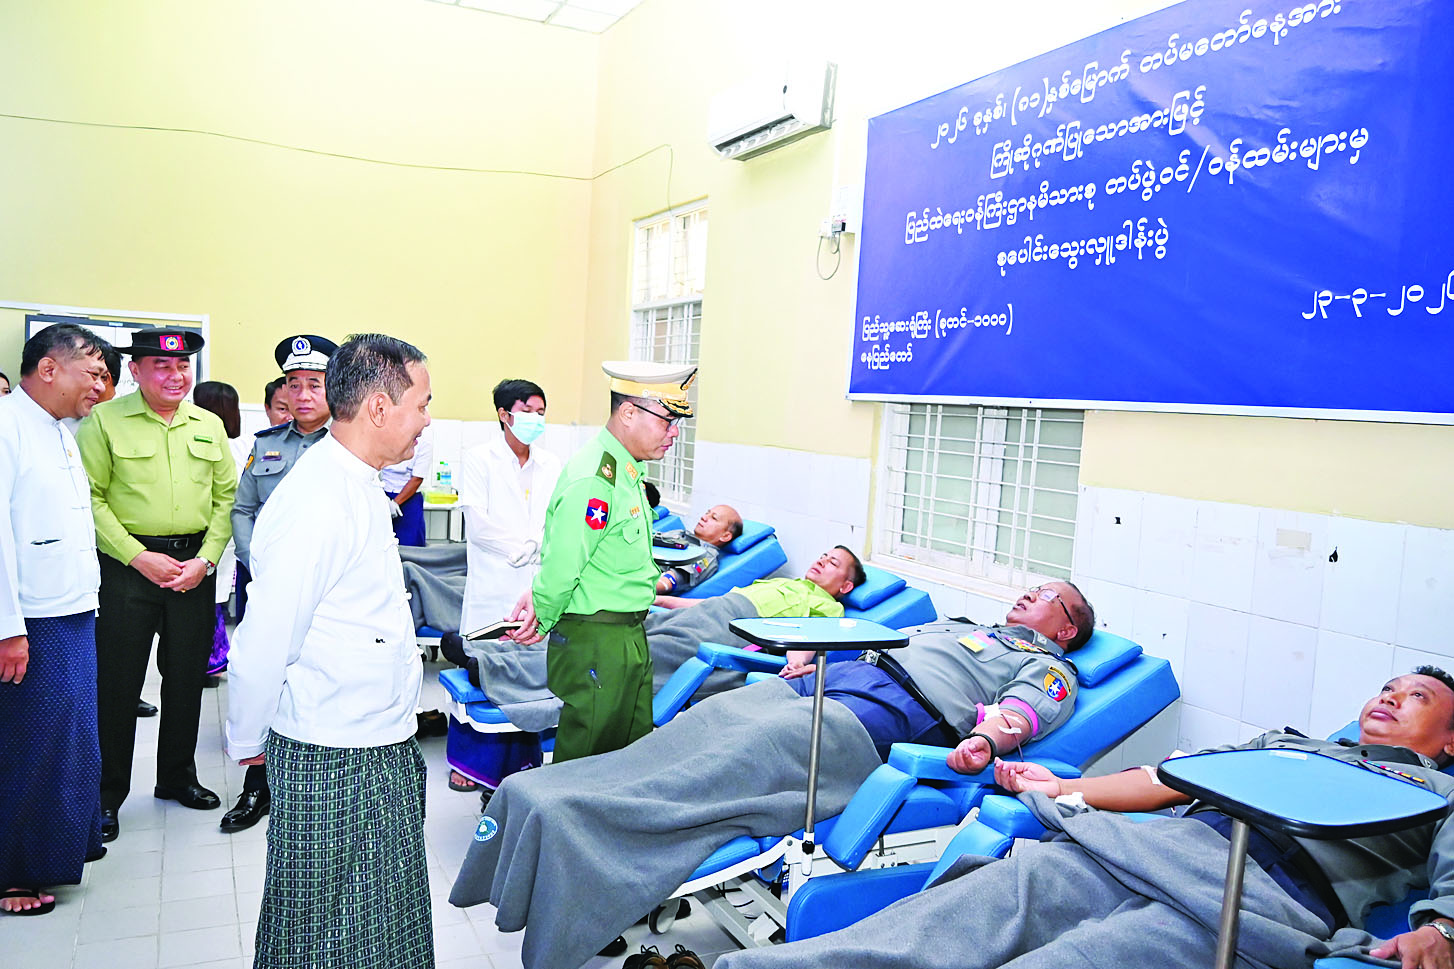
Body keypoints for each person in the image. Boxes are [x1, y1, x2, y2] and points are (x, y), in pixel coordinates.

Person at [450, 582, 1093, 969]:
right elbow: (872, 637)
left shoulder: (1047, 665)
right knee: (699, 726)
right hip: (821, 682)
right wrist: (814, 651)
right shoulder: (961, 624)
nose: (1029, 594)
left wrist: (984, 741)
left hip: (873, 718)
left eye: (1048, 596)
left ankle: (583, 825)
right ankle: (550, 796)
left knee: (732, 760)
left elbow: (1023, 712)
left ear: (1065, 628)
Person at [713, 667, 1454, 969]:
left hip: (1251, 903)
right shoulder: (1286, 744)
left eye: (1416, 697)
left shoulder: (1437, 792)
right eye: (1385, 688)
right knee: (942, 922)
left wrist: (1440, 930)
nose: (1389, 698)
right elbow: (1163, 781)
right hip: (1142, 849)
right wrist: (1069, 789)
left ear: (1449, 742)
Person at [225, 333, 433, 969]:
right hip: (334, 752)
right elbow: (265, 638)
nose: (427, 420)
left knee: (382, 920)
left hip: (374, 738)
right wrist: (248, 739)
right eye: (422, 405)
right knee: (321, 928)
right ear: (378, 408)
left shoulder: (357, 482)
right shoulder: (316, 499)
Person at [76, 327, 236, 841]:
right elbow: (89, 498)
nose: (175, 375)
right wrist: (137, 556)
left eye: (183, 365)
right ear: (136, 371)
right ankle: (107, 794)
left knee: (187, 678)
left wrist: (206, 560)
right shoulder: (104, 421)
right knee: (118, 684)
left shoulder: (208, 425)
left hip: (193, 569)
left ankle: (176, 777)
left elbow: (227, 499)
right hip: (127, 569)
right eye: (162, 366)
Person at [507, 360, 697, 763]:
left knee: (625, 762)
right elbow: (564, 565)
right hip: (597, 641)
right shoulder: (596, 478)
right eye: (667, 420)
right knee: (585, 764)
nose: (675, 432)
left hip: (627, 635)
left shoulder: (628, 474)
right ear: (628, 413)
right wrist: (542, 613)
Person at [0, 324, 110, 916]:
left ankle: (61, 850)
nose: (100, 386)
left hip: (71, 609)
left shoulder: (60, 432)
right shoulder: (6, 428)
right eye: (91, 374)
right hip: (31, 620)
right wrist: (7, 627)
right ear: (48, 369)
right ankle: (15, 872)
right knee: (31, 746)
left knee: (70, 739)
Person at [220, 334, 337, 834]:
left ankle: (315, 784)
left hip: (329, 597)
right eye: (294, 383)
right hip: (270, 588)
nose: (302, 394)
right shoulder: (266, 446)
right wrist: (260, 565)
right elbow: (242, 510)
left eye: (315, 383)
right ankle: (257, 787)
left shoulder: (350, 446)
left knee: (320, 686)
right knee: (265, 680)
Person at [457, 378, 562, 635]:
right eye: (527, 411)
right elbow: (479, 528)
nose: (535, 419)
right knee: (488, 652)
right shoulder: (478, 459)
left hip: (538, 585)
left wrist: (537, 545)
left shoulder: (551, 464)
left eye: (540, 413)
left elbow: (557, 519)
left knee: (533, 652)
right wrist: (522, 548)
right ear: (504, 415)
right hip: (493, 586)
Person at [191, 380, 248, 683]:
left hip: (210, 535)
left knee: (205, 602)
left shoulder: (212, 445)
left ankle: (210, 660)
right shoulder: (241, 445)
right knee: (214, 600)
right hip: (227, 536)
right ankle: (213, 659)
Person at [653, 504, 742, 594]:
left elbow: (668, 581)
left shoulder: (705, 556)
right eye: (707, 513)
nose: (704, 517)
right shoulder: (681, 534)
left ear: (725, 536)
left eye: (714, 518)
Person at [381, 424, 431, 546]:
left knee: (410, 547)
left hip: (409, 500)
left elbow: (417, 478)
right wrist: (385, 500)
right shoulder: (384, 433)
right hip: (383, 495)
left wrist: (395, 503)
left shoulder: (424, 441)